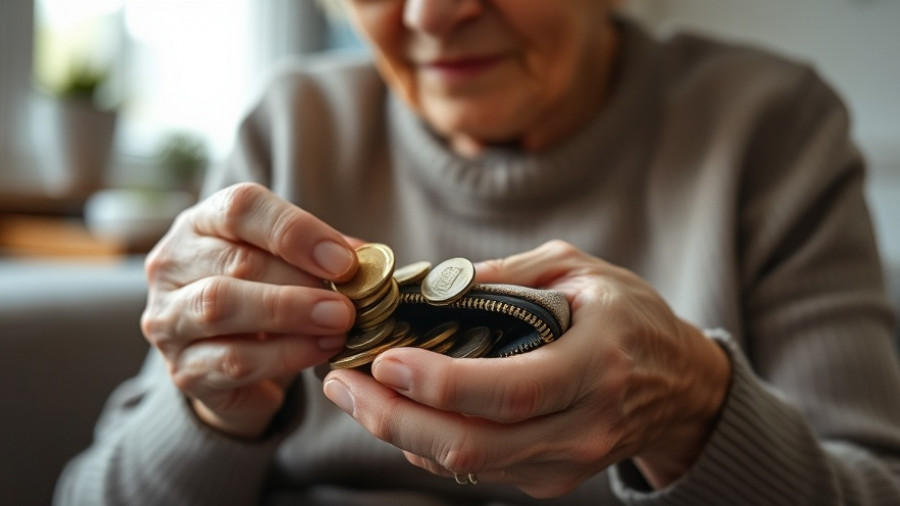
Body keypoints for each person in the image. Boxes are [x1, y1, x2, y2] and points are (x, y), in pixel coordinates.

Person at [56, 1, 900, 504]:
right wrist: (212, 411)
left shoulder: (771, 127)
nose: (428, 14)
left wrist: (693, 411)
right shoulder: (288, 127)